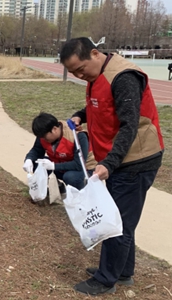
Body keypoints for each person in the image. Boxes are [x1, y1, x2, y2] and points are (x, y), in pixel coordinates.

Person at [60, 37, 164, 296]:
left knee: (117, 223)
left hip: (136, 160)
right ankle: (123, 272)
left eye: (80, 69)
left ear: (95, 54)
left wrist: (110, 162)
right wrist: (80, 115)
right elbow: (102, 105)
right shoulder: (98, 76)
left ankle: (106, 280)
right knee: (121, 219)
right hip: (121, 159)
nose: (78, 75)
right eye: (72, 72)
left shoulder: (124, 77)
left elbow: (130, 125)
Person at [22, 112, 96, 190]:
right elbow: (36, 150)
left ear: (54, 129)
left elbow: (79, 164)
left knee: (70, 177)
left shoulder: (77, 136)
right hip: (61, 165)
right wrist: (29, 159)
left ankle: (82, 194)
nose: (43, 139)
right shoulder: (44, 135)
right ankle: (58, 189)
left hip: (84, 169)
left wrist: (53, 166)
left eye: (44, 137)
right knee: (36, 163)